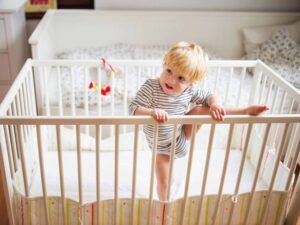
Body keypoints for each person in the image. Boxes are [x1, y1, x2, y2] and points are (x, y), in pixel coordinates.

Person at [128, 42, 269, 201]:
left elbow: (210, 95)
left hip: (181, 137)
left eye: (181, 78)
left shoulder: (189, 91)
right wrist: (152, 112)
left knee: (203, 109)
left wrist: (215, 103)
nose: (171, 80)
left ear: (190, 83)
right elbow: (133, 108)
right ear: (164, 66)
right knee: (164, 182)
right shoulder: (151, 87)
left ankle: (244, 111)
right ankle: (164, 208)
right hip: (161, 148)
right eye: (168, 71)